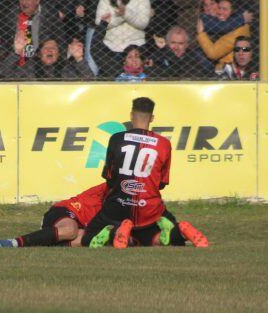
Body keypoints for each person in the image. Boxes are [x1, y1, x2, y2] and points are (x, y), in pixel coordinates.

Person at [80, 97, 209, 248]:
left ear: (131, 115)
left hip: (118, 206)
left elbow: (109, 177)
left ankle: (114, 233)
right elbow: (161, 183)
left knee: (87, 238)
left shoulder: (116, 139)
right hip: (149, 209)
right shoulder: (164, 143)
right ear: (152, 118)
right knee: (161, 240)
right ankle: (177, 231)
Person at [0, 183, 109, 247]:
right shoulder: (110, 187)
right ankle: (14, 242)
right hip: (65, 211)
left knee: (89, 238)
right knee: (70, 230)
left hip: (81, 225)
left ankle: (46, 240)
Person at [93, 0, 151, 77]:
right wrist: (123, 16)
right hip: (111, 48)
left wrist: (122, 15)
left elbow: (143, 23)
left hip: (136, 49)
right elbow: (99, 22)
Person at [8, 36, 92, 79]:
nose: (50, 50)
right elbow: (3, 75)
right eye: (46, 48)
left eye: (53, 48)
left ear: (59, 54)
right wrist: (16, 53)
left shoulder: (67, 68)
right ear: (39, 53)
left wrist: (79, 59)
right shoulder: (29, 67)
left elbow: (91, 80)